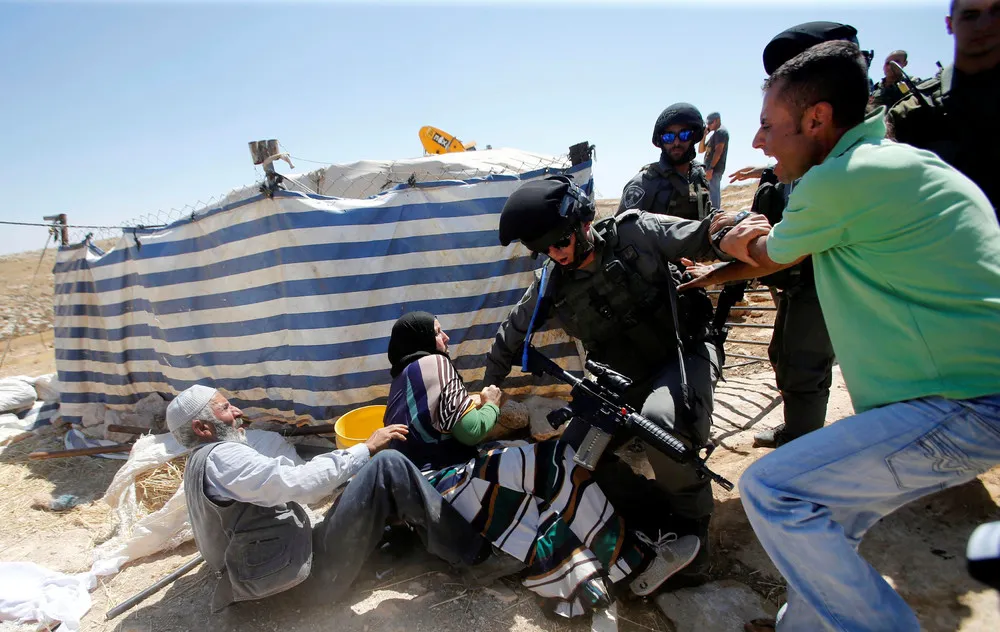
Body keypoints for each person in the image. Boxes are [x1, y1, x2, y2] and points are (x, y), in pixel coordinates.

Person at [680, 40, 1000, 631]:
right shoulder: (899, 163)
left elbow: (766, 251)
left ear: (817, 119)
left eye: (768, 125)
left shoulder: (842, 179)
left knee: (773, 490)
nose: (758, 141)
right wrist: (715, 274)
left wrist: (725, 235)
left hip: (965, 406)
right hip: (966, 398)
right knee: (822, 514)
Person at [485, 174, 733, 579]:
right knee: (571, 458)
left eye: (561, 242)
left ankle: (692, 526)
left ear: (583, 224)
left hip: (681, 354)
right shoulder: (550, 282)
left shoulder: (637, 234)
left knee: (660, 424)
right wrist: (488, 385)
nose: (556, 254)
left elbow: (705, 234)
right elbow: (512, 332)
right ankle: (652, 509)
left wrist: (731, 230)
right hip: (622, 378)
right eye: (544, 248)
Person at [383, 311, 702, 618]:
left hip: (429, 496)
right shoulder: (433, 363)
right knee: (557, 461)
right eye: (438, 331)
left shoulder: (398, 387)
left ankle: (582, 580)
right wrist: (492, 404)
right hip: (448, 484)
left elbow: (437, 436)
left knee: (524, 467)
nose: (446, 336)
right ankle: (639, 563)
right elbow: (470, 432)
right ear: (421, 339)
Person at [168, 384, 486, 611]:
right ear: (202, 427)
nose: (237, 411)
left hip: (280, 568)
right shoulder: (223, 459)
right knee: (387, 466)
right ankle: (477, 559)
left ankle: (426, 544)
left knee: (372, 499)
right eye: (225, 408)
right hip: (300, 584)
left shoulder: (198, 464)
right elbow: (298, 483)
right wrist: (366, 447)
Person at [719, 22, 867, 450]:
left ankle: (804, 449)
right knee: (784, 355)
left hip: (816, 274)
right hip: (796, 274)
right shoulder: (821, 157)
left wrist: (727, 256)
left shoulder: (843, 168)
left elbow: (786, 243)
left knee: (804, 363)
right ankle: (797, 434)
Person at [887, 0, 1000, 215]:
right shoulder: (914, 113)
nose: (985, 24)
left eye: (997, 12)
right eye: (970, 15)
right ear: (950, 24)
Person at [617, 103, 713, 220]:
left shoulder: (697, 176)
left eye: (684, 135)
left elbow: (706, 214)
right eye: (669, 137)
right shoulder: (645, 183)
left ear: (694, 136)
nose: (676, 143)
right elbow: (623, 227)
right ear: (661, 140)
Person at [698, 112, 729, 210]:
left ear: (717, 120)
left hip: (714, 169)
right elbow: (701, 150)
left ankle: (715, 213)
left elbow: (718, 151)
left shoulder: (721, 132)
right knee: (710, 193)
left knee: (713, 193)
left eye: (710, 123)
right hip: (709, 169)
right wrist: (704, 136)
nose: (708, 126)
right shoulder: (714, 135)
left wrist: (711, 168)